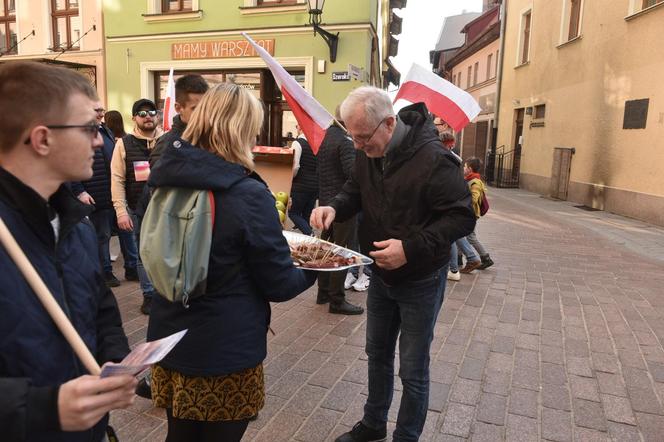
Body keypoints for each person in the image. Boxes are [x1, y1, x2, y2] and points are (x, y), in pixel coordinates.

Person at [146, 82, 317, 442]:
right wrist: (315, 266)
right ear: (240, 130)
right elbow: (279, 284)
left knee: (179, 435)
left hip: (170, 336)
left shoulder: (168, 178)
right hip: (223, 350)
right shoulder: (247, 193)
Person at [311, 87, 476, 442]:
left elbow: (462, 218)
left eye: (362, 138)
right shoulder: (369, 149)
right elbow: (355, 189)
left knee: (413, 369)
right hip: (381, 276)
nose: (357, 146)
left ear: (389, 123)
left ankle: (406, 435)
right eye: (352, 137)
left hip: (420, 278)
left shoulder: (435, 158)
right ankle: (373, 424)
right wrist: (334, 206)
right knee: (377, 355)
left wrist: (411, 248)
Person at [0, 61, 137, 441]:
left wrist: (114, 359)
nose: (99, 140)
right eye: (90, 128)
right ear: (42, 139)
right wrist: (44, 408)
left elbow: (99, 304)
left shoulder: (73, 220)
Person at [70, 102, 139, 287]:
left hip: (114, 194)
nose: (101, 113)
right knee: (103, 236)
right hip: (96, 195)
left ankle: (132, 268)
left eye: (102, 110)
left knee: (127, 233)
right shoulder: (78, 134)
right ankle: (106, 272)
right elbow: (71, 167)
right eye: (97, 110)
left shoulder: (106, 131)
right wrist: (80, 191)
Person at [110, 98, 163, 315]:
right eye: (142, 114)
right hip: (137, 208)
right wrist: (121, 211)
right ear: (134, 118)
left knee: (164, 253)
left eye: (151, 112)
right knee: (143, 254)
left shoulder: (168, 140)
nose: (147, 116)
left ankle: (165, 293)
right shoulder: (123, 143)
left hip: (165, 209)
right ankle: (149, 295)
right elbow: (117, 179)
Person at [316, 111, 363, 315]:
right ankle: (337, 300)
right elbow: (353, 174)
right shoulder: (345, 141)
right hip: (342, 207)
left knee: (326, 250)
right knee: (341, 251)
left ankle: (323, 292)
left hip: (326, 202)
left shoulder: (325, 138)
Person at [436, 131, 482, 278]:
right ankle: (470, 258)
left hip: (446, 200)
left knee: (450, 234)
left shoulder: (442, 157)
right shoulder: (456, 159)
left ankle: (455, 268)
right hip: (453, 200)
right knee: (454, 233)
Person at [150, 74, 209, 168]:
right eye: (195, 109)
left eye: (205, 107)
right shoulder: (166, 144)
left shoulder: (214, 138)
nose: (202, 113)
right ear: (178, 108)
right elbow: (158, 179)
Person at [464, 157, 494, 269]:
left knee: (471, 237)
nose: (463, 168)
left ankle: (485, 258)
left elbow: (474, 198)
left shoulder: (474, 182)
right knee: (461, 235)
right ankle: (458, 259)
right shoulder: (469, 179)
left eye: (465, 167)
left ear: (470, 169)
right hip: (468, 213)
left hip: (470, 214)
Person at [288, 125, 318, 235]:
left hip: (300, 186)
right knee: (306, 215)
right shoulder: (316, 144)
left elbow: (295, 166)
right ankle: (309, 241)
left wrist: (289, 179)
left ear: (301, 128)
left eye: (297, 126)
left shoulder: (297, 143)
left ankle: (311, 235)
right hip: (315, 186)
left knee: (293, 213)